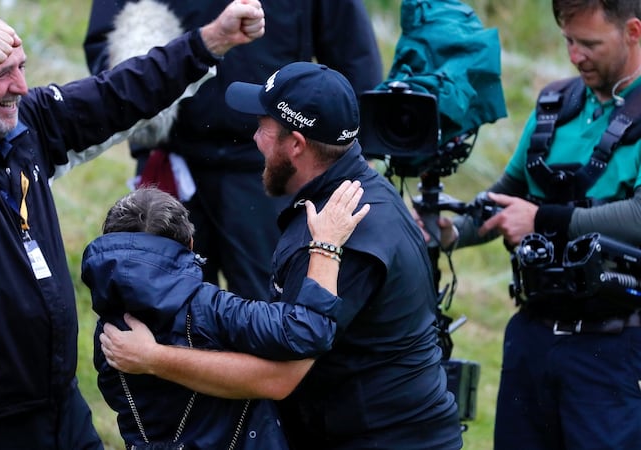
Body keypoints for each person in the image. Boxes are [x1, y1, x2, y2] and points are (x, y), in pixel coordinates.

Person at [0, 3, 265, 448]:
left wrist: (211, 41)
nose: (19, 87)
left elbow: (119, 95)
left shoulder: (25, 125)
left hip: (54, 400)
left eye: (21, 68)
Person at [99, 61, 463, 449]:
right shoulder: (360, 191)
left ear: (296, 144)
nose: (254, 139)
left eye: (262, 127)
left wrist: (154, 358)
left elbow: (278, 378)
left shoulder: (338, 237)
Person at [414, 1, 641, 448]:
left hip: (615, 347)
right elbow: (507, 196)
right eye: (568, 41)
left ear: (634, 31)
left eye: (589, 43)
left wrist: (542, 219)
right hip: (531, 337)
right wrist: (451, 233)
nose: (575, 56)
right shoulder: (556, 104)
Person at [83, 0, 383, 300]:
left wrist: (356, 154)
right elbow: (107, 43)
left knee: (268, 305)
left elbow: (352, 52)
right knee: (163, 300)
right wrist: (143, 97)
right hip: (173, 158)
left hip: (268, 166)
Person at [81, 182, 368, 449]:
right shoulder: (211, 308)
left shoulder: (108, 332)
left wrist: (154, 357)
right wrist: (326, 246)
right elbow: (308, 331)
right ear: (191, 245)